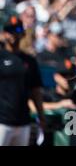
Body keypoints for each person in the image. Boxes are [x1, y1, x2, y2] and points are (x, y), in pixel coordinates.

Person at [0, 14, 46, 146]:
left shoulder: (29, 61)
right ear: (4, 33)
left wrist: (41, 115)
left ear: (23, 34)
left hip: (23, 121)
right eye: (10, 30)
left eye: (18, 30)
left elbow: (35, 90)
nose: (13, 34)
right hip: (2, 121)